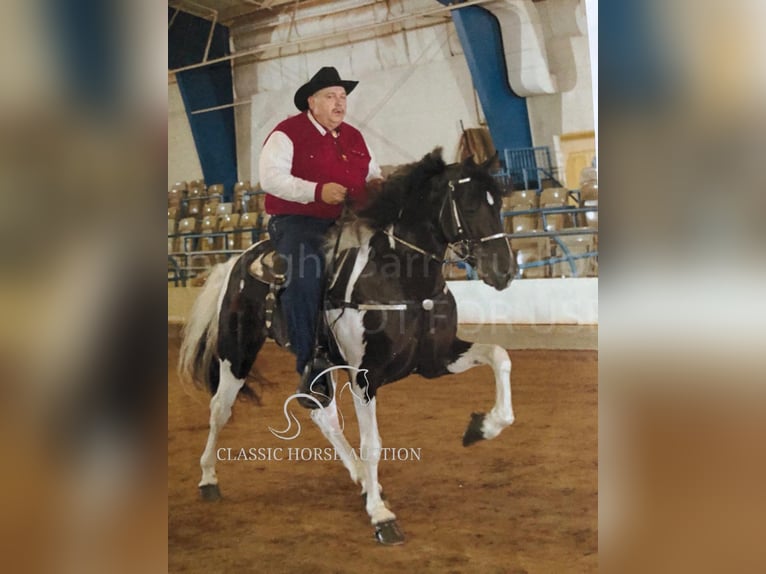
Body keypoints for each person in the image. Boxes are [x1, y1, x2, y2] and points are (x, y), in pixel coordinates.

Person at [258, 66, 382, 408]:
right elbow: (270, 178)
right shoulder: (286, 133)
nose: (339, 103)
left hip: (348, 221)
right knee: (305, 273)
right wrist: (316, 191)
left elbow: (373, 174)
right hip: (298, 221)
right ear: (311, 102)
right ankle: (312, 365)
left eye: (342, 97)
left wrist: (383, 190)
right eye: (331, 96)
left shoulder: (355, 137)